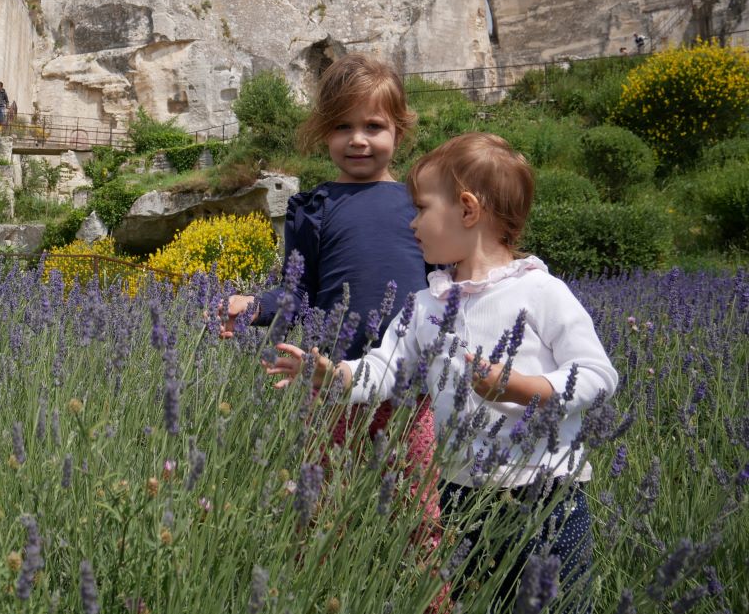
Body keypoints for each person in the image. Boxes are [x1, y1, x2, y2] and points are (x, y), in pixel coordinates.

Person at [266, 132, 618, 611]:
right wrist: (337, 375)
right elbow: (388, 367)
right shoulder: (425, 305)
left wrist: (519, 387)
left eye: (422, 209)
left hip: (545, 493)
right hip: (459, 494)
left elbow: (597, 375)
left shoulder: (541, 292)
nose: (412, 223)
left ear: (468, 210)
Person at [222, 54, 438, 549]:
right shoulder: (314, 207)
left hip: (411, 390)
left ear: (400, 132)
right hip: (331, 381)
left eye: (374, 126)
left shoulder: (421, 204)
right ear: (324, 133)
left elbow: (446, 288)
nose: (358, 139)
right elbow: (296, 293)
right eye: (342, 126)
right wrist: (254, 306)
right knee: (322, 515)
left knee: (418, 518)